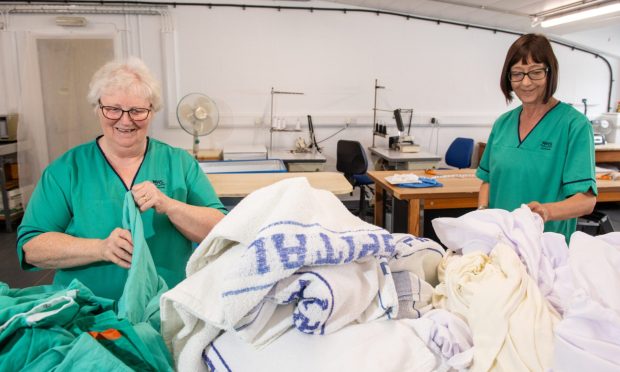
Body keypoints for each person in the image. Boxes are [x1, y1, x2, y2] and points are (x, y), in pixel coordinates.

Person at [17, 57, 228, 300]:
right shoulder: (67, 170)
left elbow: (219, 228)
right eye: (113, 109)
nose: (125, 120)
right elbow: (31, 247)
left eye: (137, 111)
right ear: (98, 109)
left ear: (151, 112)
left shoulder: (179, 163)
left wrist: (170, 205)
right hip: (88, 310)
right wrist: (100, 248)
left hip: (166, 306)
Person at [476, 33, 597, 243]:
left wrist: (545, 212)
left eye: (535, 72)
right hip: (501, 243)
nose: (525, 82)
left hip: (546, 248)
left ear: (550, 73)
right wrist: (482, 212)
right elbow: (488, 180)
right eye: (517, 74)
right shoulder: (503, 123)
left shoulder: (574, 125)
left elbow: (586, 201)